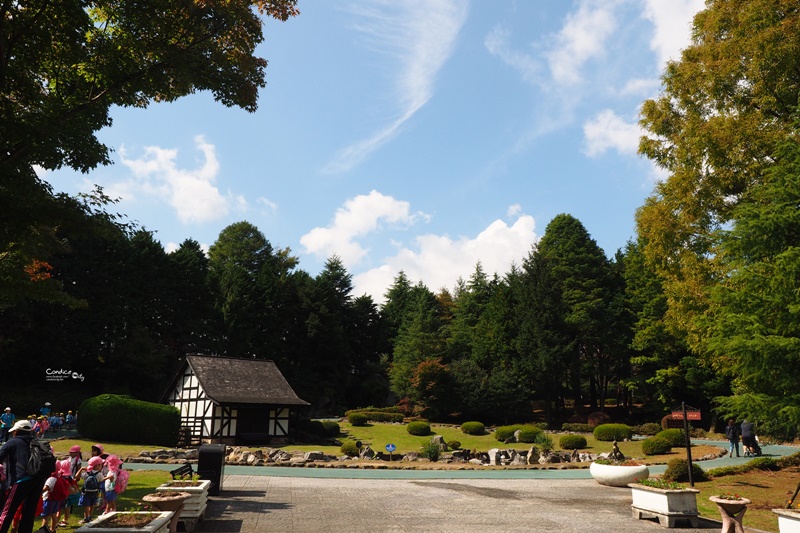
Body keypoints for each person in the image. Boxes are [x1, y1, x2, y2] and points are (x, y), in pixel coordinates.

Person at [0, 420, 48, 533]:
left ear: (16, 431)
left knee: (7, 512)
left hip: (21, 480)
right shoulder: (36, 442)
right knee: (28, 513)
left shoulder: (13, 442)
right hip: (38, 481)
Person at [78, 457, 103, 524]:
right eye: (100, 464)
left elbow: (77, 476)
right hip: (94, 492)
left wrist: (81, 469)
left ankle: (86, 518)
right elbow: (101, 481)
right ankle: (90, 517)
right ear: (97, 465)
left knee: (86, 506)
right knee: (92, 505)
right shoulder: (100, 474)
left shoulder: (87, 473)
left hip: (86, 492)